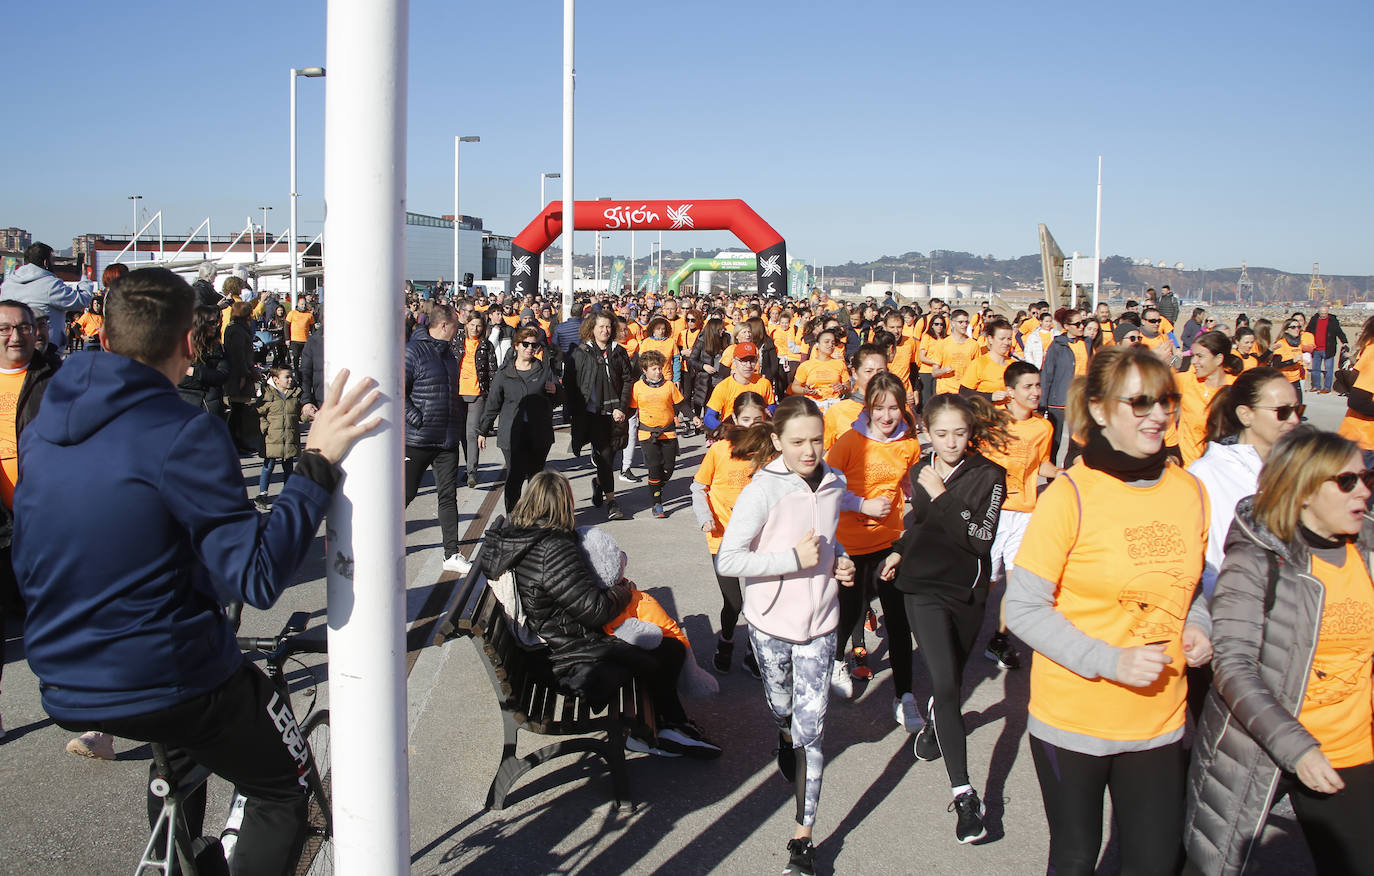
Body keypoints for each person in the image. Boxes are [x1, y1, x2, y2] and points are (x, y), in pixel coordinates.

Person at [13, 267, 379, 874]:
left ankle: (177, 848)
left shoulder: (44, 427)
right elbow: (257, 578)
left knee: (184, 751)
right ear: (191, 342)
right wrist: (316, 462)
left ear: (103, 336)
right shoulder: (184, 431)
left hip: (62, 676)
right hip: (163, 673)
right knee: (284, 794)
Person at [1007, 345, 1212, 876]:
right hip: (1074, 718)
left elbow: (1192, 586)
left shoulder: (1190, 491)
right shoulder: (1072, 495)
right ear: (1098, 409)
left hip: (1160, 719)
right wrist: (1110, 660)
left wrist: (1199, 625)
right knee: (1076, 859)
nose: (1159, 414)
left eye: (1167, 400)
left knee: (1156, 861)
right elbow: (1024, 609)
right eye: (1139, 402)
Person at [1185, 427, 1374, 875]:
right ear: (1304, 490)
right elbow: (1233, 664)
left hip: (1350, 747)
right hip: (1257, 745)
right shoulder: (1259, 556)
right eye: (1346, 481)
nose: (1363, 491)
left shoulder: (1367, 546)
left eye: (1366, 478)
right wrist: (1298, 749)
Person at [480, 470, 721, 758]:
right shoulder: (552, 548)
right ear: (562, 505)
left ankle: (667, 724)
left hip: (550, 648)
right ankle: (660, 730)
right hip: (568, 660)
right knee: (667, 650)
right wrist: (624, 588)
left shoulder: (520, 537)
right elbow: (595, 611)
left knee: (658, 645)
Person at [716, 397, 860, 876]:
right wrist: (790, 562)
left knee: (812, 728)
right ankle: (783, 733)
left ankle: (803, 837)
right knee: (783, 709)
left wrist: (839, 561)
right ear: (777, 441)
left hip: (820, 624)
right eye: (798, 442)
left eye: (818, 440)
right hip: (769, 623)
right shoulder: (763, 490)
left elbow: (829, 537)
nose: (810, 451)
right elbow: (729, 560)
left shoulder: (835, 481)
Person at [877, 392, 1008, 844]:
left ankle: (936, 723)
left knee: (950, 679)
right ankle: (965, 794)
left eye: (960, 433)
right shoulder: (920, 470)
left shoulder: (990, 475)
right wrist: (898, 549)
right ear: (926, 434)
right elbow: (923, 523)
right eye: (942, 434)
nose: (952, 443)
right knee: (948, 685)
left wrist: (941, 493)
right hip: (923, 588)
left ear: (970, 433)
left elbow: (978, 540)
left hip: (967, 591)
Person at [826, 373, 922, 713]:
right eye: (879, 408)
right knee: (850, 609)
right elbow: (825, 485)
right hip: (850, 543)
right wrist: (860, 504)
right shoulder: (851, 441)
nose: (886, 416)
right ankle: (837, 659)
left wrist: (913, 493)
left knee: (898, 618)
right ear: (868, 408)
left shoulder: (909, 444)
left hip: (889, 541)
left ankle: (904, 697)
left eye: (893, 408)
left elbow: (908, 478)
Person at [0, 301, 58, 745]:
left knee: (50, 617)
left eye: (23, 327)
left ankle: (71, 698)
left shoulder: (56, 380)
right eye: (5, 328)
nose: (15, 336)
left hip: (44, 518)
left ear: (37, 332)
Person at [979, 360, 1058, 672]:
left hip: (1024, 513)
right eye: (1028, 386)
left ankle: (999, 639)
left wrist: (1063, 474)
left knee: (1018, 584)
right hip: (992, 513)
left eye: (1037, 385)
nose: (1036, 392)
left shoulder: (1043, 427)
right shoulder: (992, 421)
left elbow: (1042, 465)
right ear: (1009, 392)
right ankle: (960, 630)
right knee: (985, 582)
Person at [694, 392, 769, 678]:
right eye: (746, 419)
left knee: (759, 600)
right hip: (722, 538)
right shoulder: (719, 450)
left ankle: (752, 652)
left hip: (759, 538)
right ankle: (726, 641)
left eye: (758, 420)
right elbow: (698, 487)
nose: (751, 426)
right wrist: (705, 517)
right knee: (734, 603)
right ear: (735, 419)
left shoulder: (768, 452)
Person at [403, 303, 470, 574]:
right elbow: (398, 390)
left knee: (448, 495)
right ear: (444, 325)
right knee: (404, 494)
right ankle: (381, 542)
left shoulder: (449, 355)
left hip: (447, 439)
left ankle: (451, 553)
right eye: (456, 325)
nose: (459, 330)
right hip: (418, 439)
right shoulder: (413, 351)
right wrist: (416, 418)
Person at [477, 325, 560, 513]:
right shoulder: (504, 373)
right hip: (512, 435)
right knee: (514, 477)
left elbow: (559, 399)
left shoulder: (544, 370)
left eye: (534, 345)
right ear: (516, 346)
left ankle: (534, 516)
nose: (530, 348)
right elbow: (493, 403)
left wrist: (557, 391)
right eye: (526, 344)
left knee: (535, 479)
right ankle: (512, 517)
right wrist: (483, 430)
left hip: (539, 435)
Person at [574, 312, 634, 521]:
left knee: (610, 455)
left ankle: (599, 483)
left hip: (615, 413)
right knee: (606, 457)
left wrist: (622, 407)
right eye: (601, 327)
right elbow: (573, 383)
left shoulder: (619, 352)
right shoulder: (582, 352)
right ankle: (612, 502)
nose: (605, 331)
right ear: (592, 328)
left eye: (608, 327)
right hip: (593, 414)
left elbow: (628, 380)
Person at [628, 350, 698, 518]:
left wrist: (693, 417)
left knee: (668, 468)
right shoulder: (637, 387)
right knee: (654, 467)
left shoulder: (669, 386)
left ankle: (656, 487)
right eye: (653, 368)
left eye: (659, 368)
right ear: (644, 370)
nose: (658, 371)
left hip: (668, 432)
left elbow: (681, 405)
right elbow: (631, 409)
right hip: (647, 434)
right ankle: (657, 503)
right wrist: (619, 422)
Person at [0, 242, 94, 350]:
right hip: (45, 348)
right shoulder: (50, 284)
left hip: (13, 346)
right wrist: (85, 278)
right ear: (46, 262)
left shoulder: (8, 284)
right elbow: (81, 300)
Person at [1173, 330, 1240, 466]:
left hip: (1220, 471)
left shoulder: (1236, 388)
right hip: (1189, 469)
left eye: (1199, 356)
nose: (1193, 361)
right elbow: (1152, 381)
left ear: (1219, 359)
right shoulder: (1187, 381)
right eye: (1193, 355)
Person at [455, 311, 498, 489]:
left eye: (479, 325)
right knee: (460, 435)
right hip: (456, 394)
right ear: (466, 325)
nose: (475, 328)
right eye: (472, 324)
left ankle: (472, 471)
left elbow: (492, 371)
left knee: (472, 433)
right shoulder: (457, 343)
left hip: (477, 394)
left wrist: (493, 396)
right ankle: (466, 467)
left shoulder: (486, 346)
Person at [253, 363, 304, 510]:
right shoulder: (267, 394)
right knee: (268, 466)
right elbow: (259, 413)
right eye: (287, 377)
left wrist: (308, 414)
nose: (290, 380)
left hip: (289, 436)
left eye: (291, 376)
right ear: (276, 380)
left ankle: (287, 494)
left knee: (288, 466)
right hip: (272, 438)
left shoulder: (295, 394)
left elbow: (300, 415)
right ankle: (262, 494)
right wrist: (265, 428)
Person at [823, 343, 887, 451]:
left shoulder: (899, 411)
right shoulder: (837, 412)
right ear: (855, 373)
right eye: (868, 371)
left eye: (880, 372)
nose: (875, 377)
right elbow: (824, 454)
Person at [704, 341, 776, 430]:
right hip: (733, 433)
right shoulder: (723, 387)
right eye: (743, 360)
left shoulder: (763, 383)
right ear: (734, 361)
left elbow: (772, 404)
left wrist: (769, 410)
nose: (748, 365)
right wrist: (724, 429)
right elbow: (709, 417)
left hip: (757, 431)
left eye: (752, 360)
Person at [177, 305, 230, 420]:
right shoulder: (182, 346)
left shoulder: (218, 347)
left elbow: (223, 375)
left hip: (210, 406)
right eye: (211, 323)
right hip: (185, 405)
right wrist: (207, 378)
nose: (215, 326)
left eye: (216, 322)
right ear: (199, 324)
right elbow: (179, 379)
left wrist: (196, 373)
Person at [222, 300, 259, 455]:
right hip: (239, 375)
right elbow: (238, 355)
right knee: (237, 410)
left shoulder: (237, 328)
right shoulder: (237, 330)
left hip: (242, 372)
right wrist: (244, 374)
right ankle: (234, 442)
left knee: (240, 410)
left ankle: (238, 441)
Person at [789, 328, 850, 401]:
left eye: (833, 343)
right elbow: (795, 387)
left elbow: (848, 386)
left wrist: (843, 387)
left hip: (834, 404)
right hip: (813, 404)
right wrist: (805, 390)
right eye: (826, 342)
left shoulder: (840, 364)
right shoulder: (806, 365)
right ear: (817, 344)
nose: (830, 345)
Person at [1306, 302, 1348, 394]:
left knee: (1328, 369)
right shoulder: (1314, 320)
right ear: (1319, 312)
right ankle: (1316, 386)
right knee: (1315, 369)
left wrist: (1344, 341)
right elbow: (1307, 332)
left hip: (1328, 349)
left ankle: (1327, 387)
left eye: (1325, 313)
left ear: (1328, 312)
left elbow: (1339, 332)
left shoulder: (1333, 320)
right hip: (1316, 349)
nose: (1323, 315)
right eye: (1322, 313)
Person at [1268, 317, 1308, 407]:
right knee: (1284, 408)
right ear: (1286, 330)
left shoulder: (1298, 343)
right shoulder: (1281, 343)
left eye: (1298, 327)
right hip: (1284, 380)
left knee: (1298, 406)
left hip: (1296, 380)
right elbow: (1276, 364)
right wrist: (1292, 361)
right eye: (1293, 327)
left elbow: (1298, 358)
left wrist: (1302, 363)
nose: (1297, 329)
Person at [284, 299, 315, 372]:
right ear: (298, 304)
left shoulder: (309, 314)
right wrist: (287, 339)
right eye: (301, 304)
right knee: (295, 357)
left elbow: (312, 328)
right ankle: (296, 372)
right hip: (295, 340)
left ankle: (303, 373)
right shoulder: (292, 313)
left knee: (305, 359)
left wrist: (313, 340)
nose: (303, 306)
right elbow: (286, 326)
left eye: (304, 304)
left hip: (305, 340)